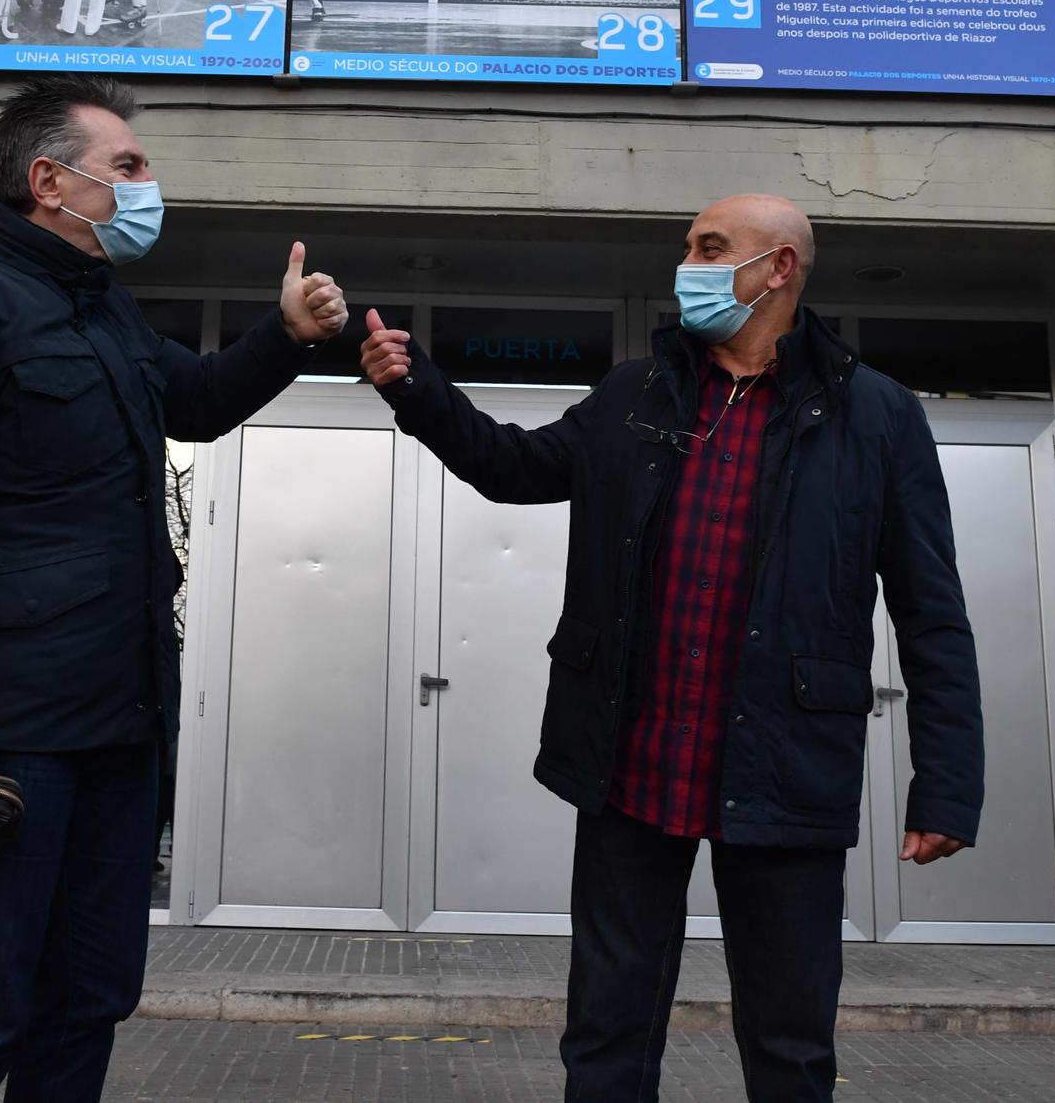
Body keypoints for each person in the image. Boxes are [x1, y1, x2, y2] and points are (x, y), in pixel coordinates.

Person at [358, 195, 983, 1103]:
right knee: (606, 1034)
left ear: (779, 269)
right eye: (689, 243)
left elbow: (933, 612)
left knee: (790, 1043)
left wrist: (948, 784)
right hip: (631, 767)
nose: (686, 260)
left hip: (785, 769)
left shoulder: (877, 416)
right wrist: (415, 388)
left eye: (710, 246)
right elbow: (514, 465)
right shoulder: (634, 393)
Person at [0, 76, 350, 1101]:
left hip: (119, 733)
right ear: (50, 180)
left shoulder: (104, 315)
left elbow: (199, 404)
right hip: (8, 737)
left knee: (86, 1001)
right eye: (126, 166)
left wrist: (288, 334)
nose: (145, 184)